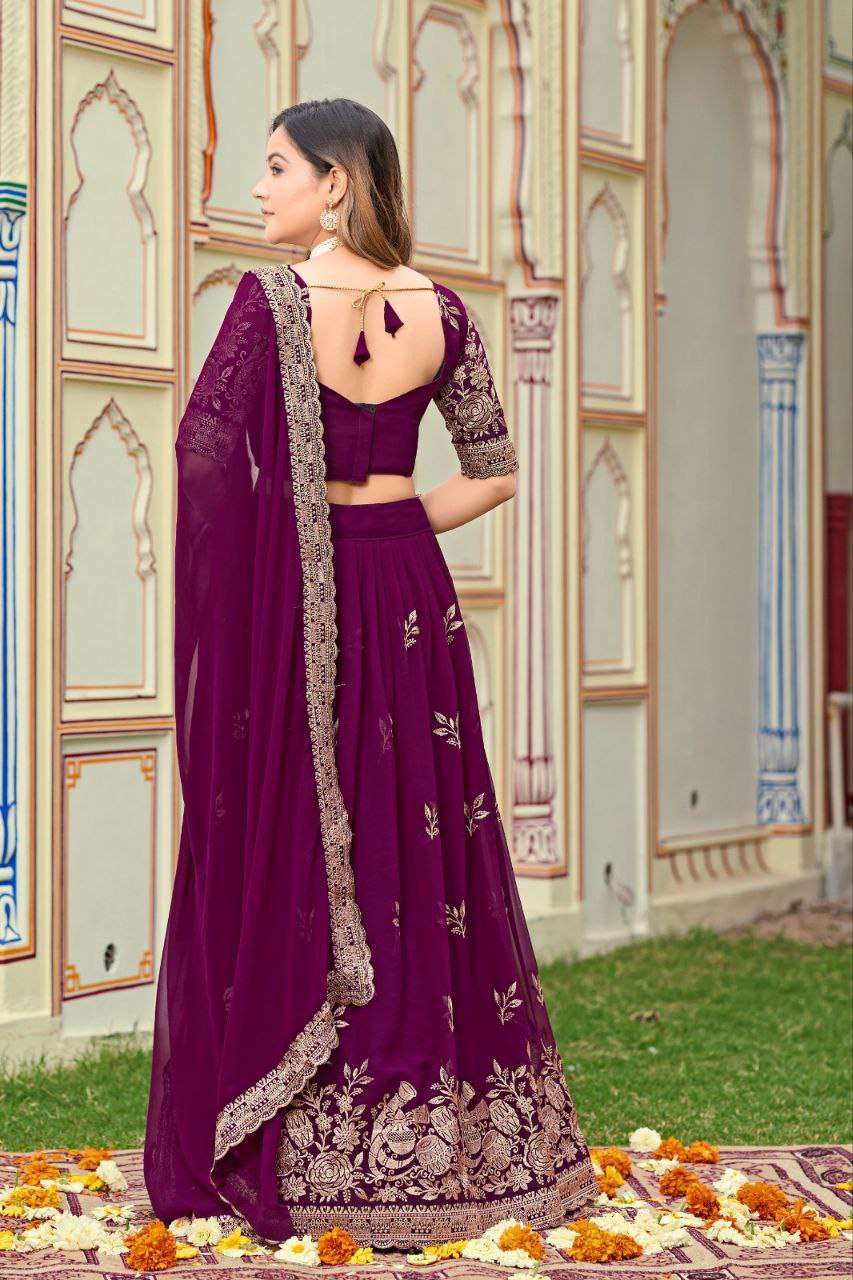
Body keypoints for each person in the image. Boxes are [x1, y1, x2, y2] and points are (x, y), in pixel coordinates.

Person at [143, 96, 597, 1249]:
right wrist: (394, 528)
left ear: (335, 182)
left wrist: (278, 546)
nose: (258, 189)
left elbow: (202, 454)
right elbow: (492, 470)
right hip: (410, 591)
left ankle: (312, 1144)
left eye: (275, 166)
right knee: (419, 832)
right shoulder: (442, 310)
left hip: (308, 596)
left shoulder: (270, 304)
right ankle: (452, 1136)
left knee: (312, 828)